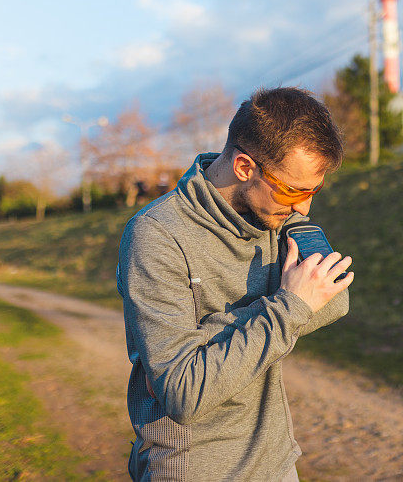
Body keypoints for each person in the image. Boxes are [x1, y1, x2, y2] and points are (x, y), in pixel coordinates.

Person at [116, 87, 354, 481]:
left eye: (314, 190)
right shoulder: (156, 235)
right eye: (294, 190)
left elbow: (332, 299)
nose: (305, 207)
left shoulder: (281, 216)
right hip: (193, 468)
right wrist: (288, 306)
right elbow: (183, 392)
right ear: (245, 167)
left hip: (276, 461)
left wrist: (208, 338)